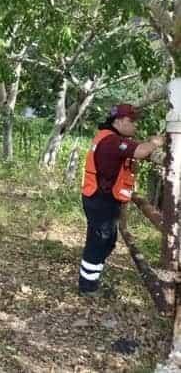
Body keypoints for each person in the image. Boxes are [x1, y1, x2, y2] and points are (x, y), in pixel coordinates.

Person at [79, 104, 164, 296]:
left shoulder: (110, 137)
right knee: (100, 241)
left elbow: (135, 148)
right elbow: (141, 152)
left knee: (106, 240)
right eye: (131, 121)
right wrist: (156, 142)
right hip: (101, 199)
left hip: (100, 197)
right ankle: (88, 287)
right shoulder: (111, 141)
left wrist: (147, 143)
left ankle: (90, 281)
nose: (135, 125)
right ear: (118, 121)